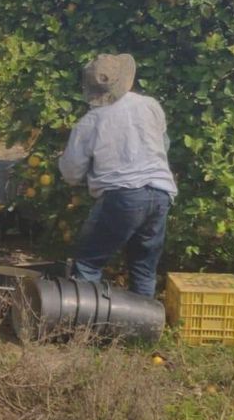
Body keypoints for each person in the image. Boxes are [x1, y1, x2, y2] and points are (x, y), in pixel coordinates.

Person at [58, 53, 177, 297]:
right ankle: (142, 331)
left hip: (123, 197)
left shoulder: (90, 122)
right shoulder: (150, 105)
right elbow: (162, 146)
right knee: (144, 268)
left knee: (89, 263)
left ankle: (83, 328)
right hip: (161, 192)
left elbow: (71, 173)